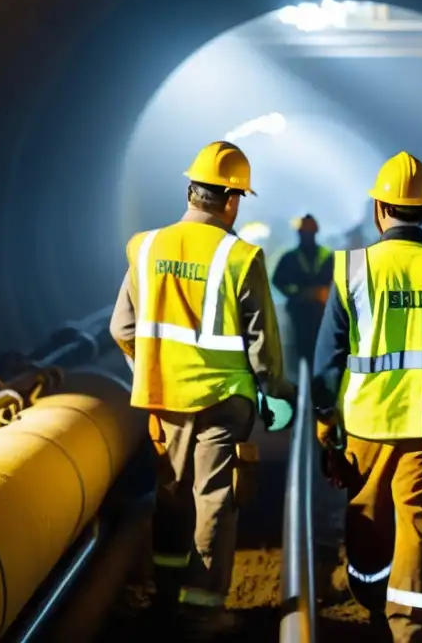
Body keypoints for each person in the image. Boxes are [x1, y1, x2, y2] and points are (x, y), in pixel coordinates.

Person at [110, 140, 295, 639]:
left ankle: (167, 598)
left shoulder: (145, 246)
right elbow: (261, 344)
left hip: (161, 397)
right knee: (213, 498)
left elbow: (121, 328)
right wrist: (275, 391)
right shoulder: (240, 255)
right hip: (221, 399)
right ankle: (203, 610)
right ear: (231, 199)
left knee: (170, 495)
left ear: (191, 192)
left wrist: (152, 363)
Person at [312, 151, 422, 643]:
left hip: (368, 422)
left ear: (379, 210)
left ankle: (369, 596)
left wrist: (326, 423)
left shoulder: (353, 270)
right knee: (418, 520)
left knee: (367, 514)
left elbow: (329, 358)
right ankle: (411, 627)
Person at [271, 214, 334, 372]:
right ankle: (303, 387)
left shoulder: (327, 257)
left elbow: (338, 284)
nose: (306, 235)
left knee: (313, 356)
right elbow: (277, 281)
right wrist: (300, 294)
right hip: (301, 314)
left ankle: (311, 387)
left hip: (319, 314)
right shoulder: (290, 258)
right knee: (301, 355)